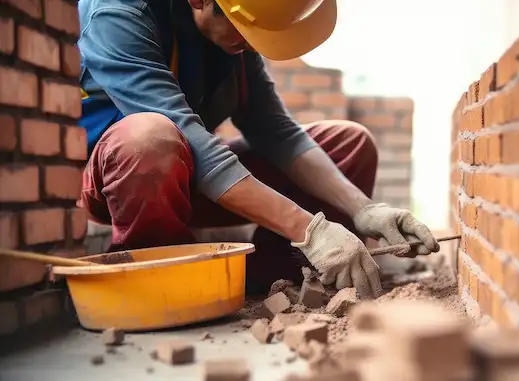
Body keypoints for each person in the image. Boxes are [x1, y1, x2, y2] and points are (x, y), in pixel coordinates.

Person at [77, 0, 440, 300]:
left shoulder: (237, 38)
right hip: (129, 182)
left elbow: (278, 132)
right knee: (151, 135)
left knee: (349, 142)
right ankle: (162, 285)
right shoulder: (121, 14)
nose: (253, 44)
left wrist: (364, 208)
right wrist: (310, 230)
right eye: (246, 31)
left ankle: (276, 280)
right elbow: (194, 143)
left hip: (195, 182)